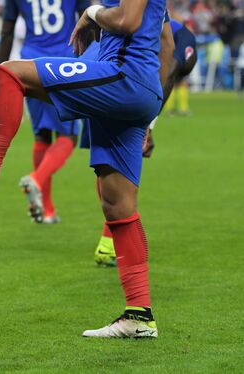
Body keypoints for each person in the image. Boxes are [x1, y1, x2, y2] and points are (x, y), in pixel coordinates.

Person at [0, 0, 167, 338]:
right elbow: (166, 42)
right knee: (118, 206)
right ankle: (139, 316)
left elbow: (126, 21)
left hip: (123, 79)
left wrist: (92, 13)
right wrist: (151, 109)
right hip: (136, 89)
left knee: (10, 72)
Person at [86, 18, 196, 266]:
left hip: (103, 73)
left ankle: (109, 241)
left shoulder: (132, 22)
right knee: (117, 157)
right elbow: (167, 76)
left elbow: (168, 75)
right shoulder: (177, 41)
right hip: (119, 80)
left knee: (106, 156)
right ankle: (115, 240)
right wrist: (149, 124)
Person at [0, 0, 89, 223]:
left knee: (42, 134)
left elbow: (6, 30)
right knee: (68, 135)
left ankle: (47, 210)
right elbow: (88, 21)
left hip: (30, 62)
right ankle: (36, 178)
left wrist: (1, 69)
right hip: (64, 62)